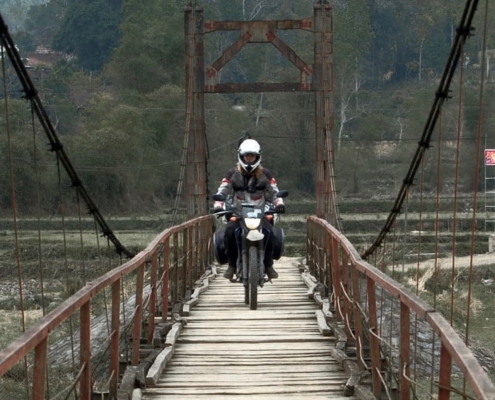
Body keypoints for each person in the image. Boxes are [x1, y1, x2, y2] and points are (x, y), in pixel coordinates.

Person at [213, 138, 285, 279]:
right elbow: (223, 190)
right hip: (238, 215)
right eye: (247, 156)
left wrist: (279, 204)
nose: (249, 159)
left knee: (269, 232)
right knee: (229, 232)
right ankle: (232, 265)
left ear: (257, 157)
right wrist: (218, 204)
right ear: (241, 156)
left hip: (259, 215)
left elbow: (274, 192)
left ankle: (268, 265)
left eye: (252, 156)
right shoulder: (232, 174)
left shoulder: (265, 174)